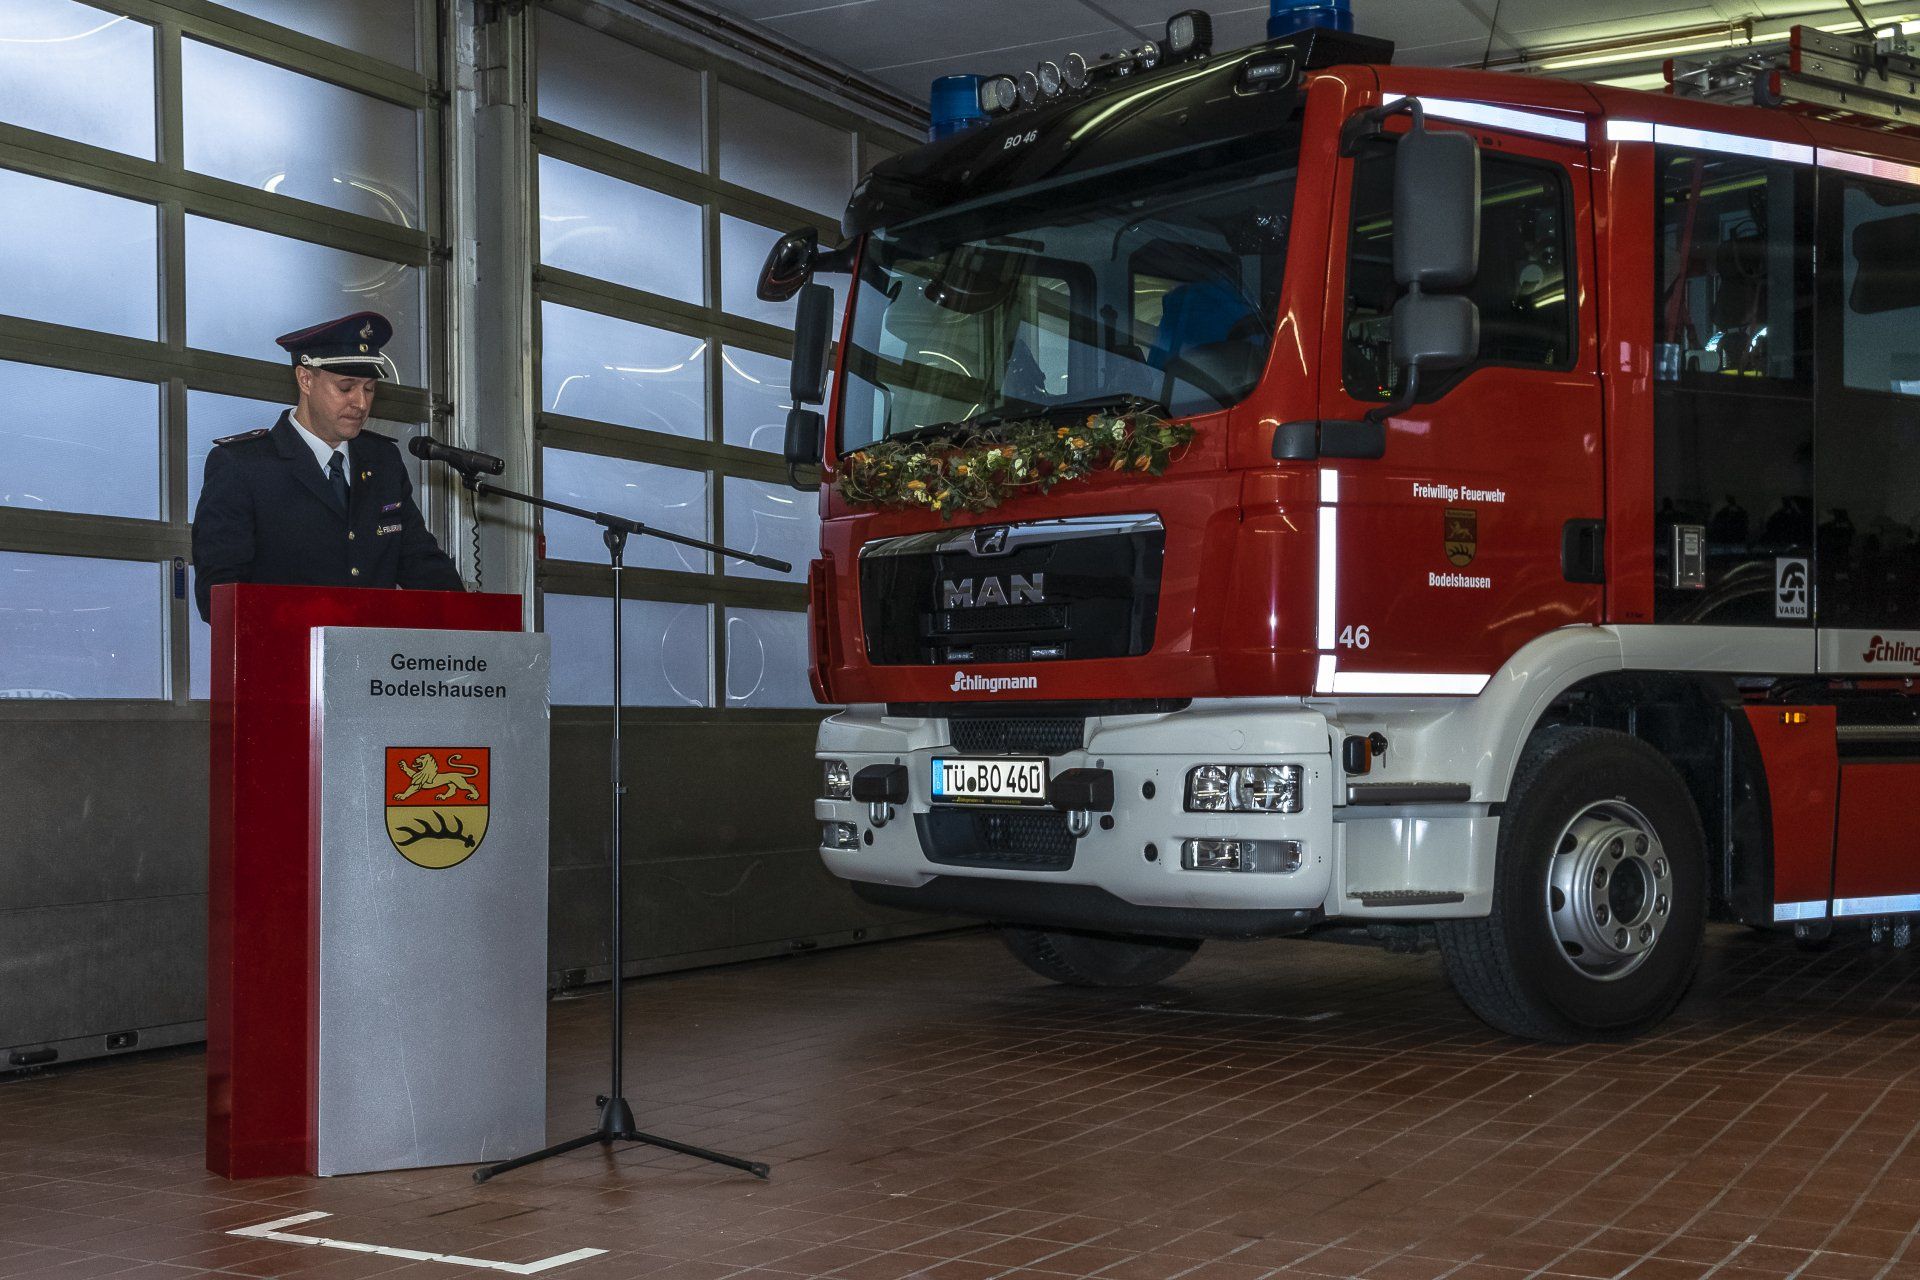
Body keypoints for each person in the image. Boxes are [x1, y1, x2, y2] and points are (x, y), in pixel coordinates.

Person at [191, 311, 463, 622]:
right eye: (346, 388)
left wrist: (472, 620)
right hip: (285, 649)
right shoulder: (244, 466)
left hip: (373, 652)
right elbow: (219, 598)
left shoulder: (382, 461)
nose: (361, 403)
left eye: (369, 389)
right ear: (305, 379)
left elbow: (421, 563)